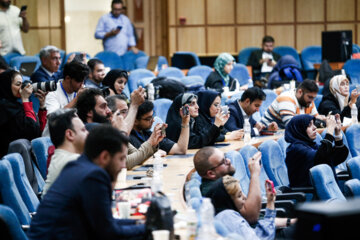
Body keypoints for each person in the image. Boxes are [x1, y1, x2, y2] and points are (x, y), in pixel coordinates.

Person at [28, 125, 146, 239]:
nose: (123, 165)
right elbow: (108, 232)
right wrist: (149, 228)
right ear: (104, 157)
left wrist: (139, 222)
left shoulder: (78, 165)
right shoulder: (93, 177)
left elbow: (105, 223)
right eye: (121, 159)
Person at [194, 147, 295, 235]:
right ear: (211, 173)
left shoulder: (222, 183)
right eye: (223, 161)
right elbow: (252, 217)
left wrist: (290, 221)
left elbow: (262, 221)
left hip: (266, 229)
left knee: (309, 225)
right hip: (259, 234)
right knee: (310, 228)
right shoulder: (218, 189)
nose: (229, 160)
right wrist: (255, 174)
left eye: (225, 157)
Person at [285, 114, 349, 187]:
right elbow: (320, 160)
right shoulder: (295, 149)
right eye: (309, 125)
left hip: (323, 190)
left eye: (314, 124)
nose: (315, 127)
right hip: (308, 194)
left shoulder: (311, 145)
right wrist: (330, 131)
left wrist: (337, 133)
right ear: (299, 129)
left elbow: (336, 158)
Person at [0, 69, 47, 157]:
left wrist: (42, 106)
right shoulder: (4, 108)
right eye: (18, 84)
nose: (22, 88)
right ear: (6, 86)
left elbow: (40, 132)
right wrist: (25, 99)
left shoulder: (17, 106)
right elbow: (32, 132)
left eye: (22, 84)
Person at [42, 108, 88, 196]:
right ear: (70, 134)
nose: (88, 133)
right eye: (83, 130)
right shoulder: (72, 162)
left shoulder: (62, 156)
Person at [261, 79, 325, 129]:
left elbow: (316, 118)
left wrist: (326, 120)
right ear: (300, 92)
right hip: (268, 132)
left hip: (283, 133)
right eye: (310, 97)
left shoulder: (308, 101)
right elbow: (292, 125)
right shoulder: (286, 98)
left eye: (313, 98)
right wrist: (316, 122)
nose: (312, 101)